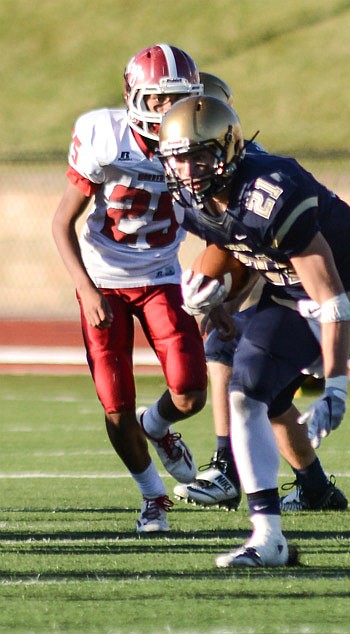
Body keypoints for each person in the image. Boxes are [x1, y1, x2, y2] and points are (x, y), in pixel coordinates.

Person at [156, 95, 350, 567]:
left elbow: (333, 298)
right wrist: (216, 303)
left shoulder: (271, 192)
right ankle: (268, 536)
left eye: (200, 155)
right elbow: (233, 242)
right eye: (178, 157)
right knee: (247, 391)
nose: (188, 169)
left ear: (228, 151)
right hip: (288, 295)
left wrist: (336, 388)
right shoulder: (186, 194)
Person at [172, 73, 347, 513]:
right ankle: (314, 487)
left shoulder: (255, 176)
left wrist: (224, 301)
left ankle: (229, 466)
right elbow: (238, 246)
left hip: (318, 289)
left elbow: (252, 241)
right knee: (267, 390)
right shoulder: (189, 169)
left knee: (239, 362)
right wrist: (220, 304)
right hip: (285, 285)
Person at [51, 44, 208, 533]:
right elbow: (62, 223)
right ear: (135, 96)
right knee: (115, 405)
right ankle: (153, 497)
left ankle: (156, 426)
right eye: (160, 99)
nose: (168, 110)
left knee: (190, 392)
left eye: (178, 98)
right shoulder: (103, 134)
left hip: (161, 275)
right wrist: (87, 289)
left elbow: (214, 216)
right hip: (104, 280)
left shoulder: (199, 136)